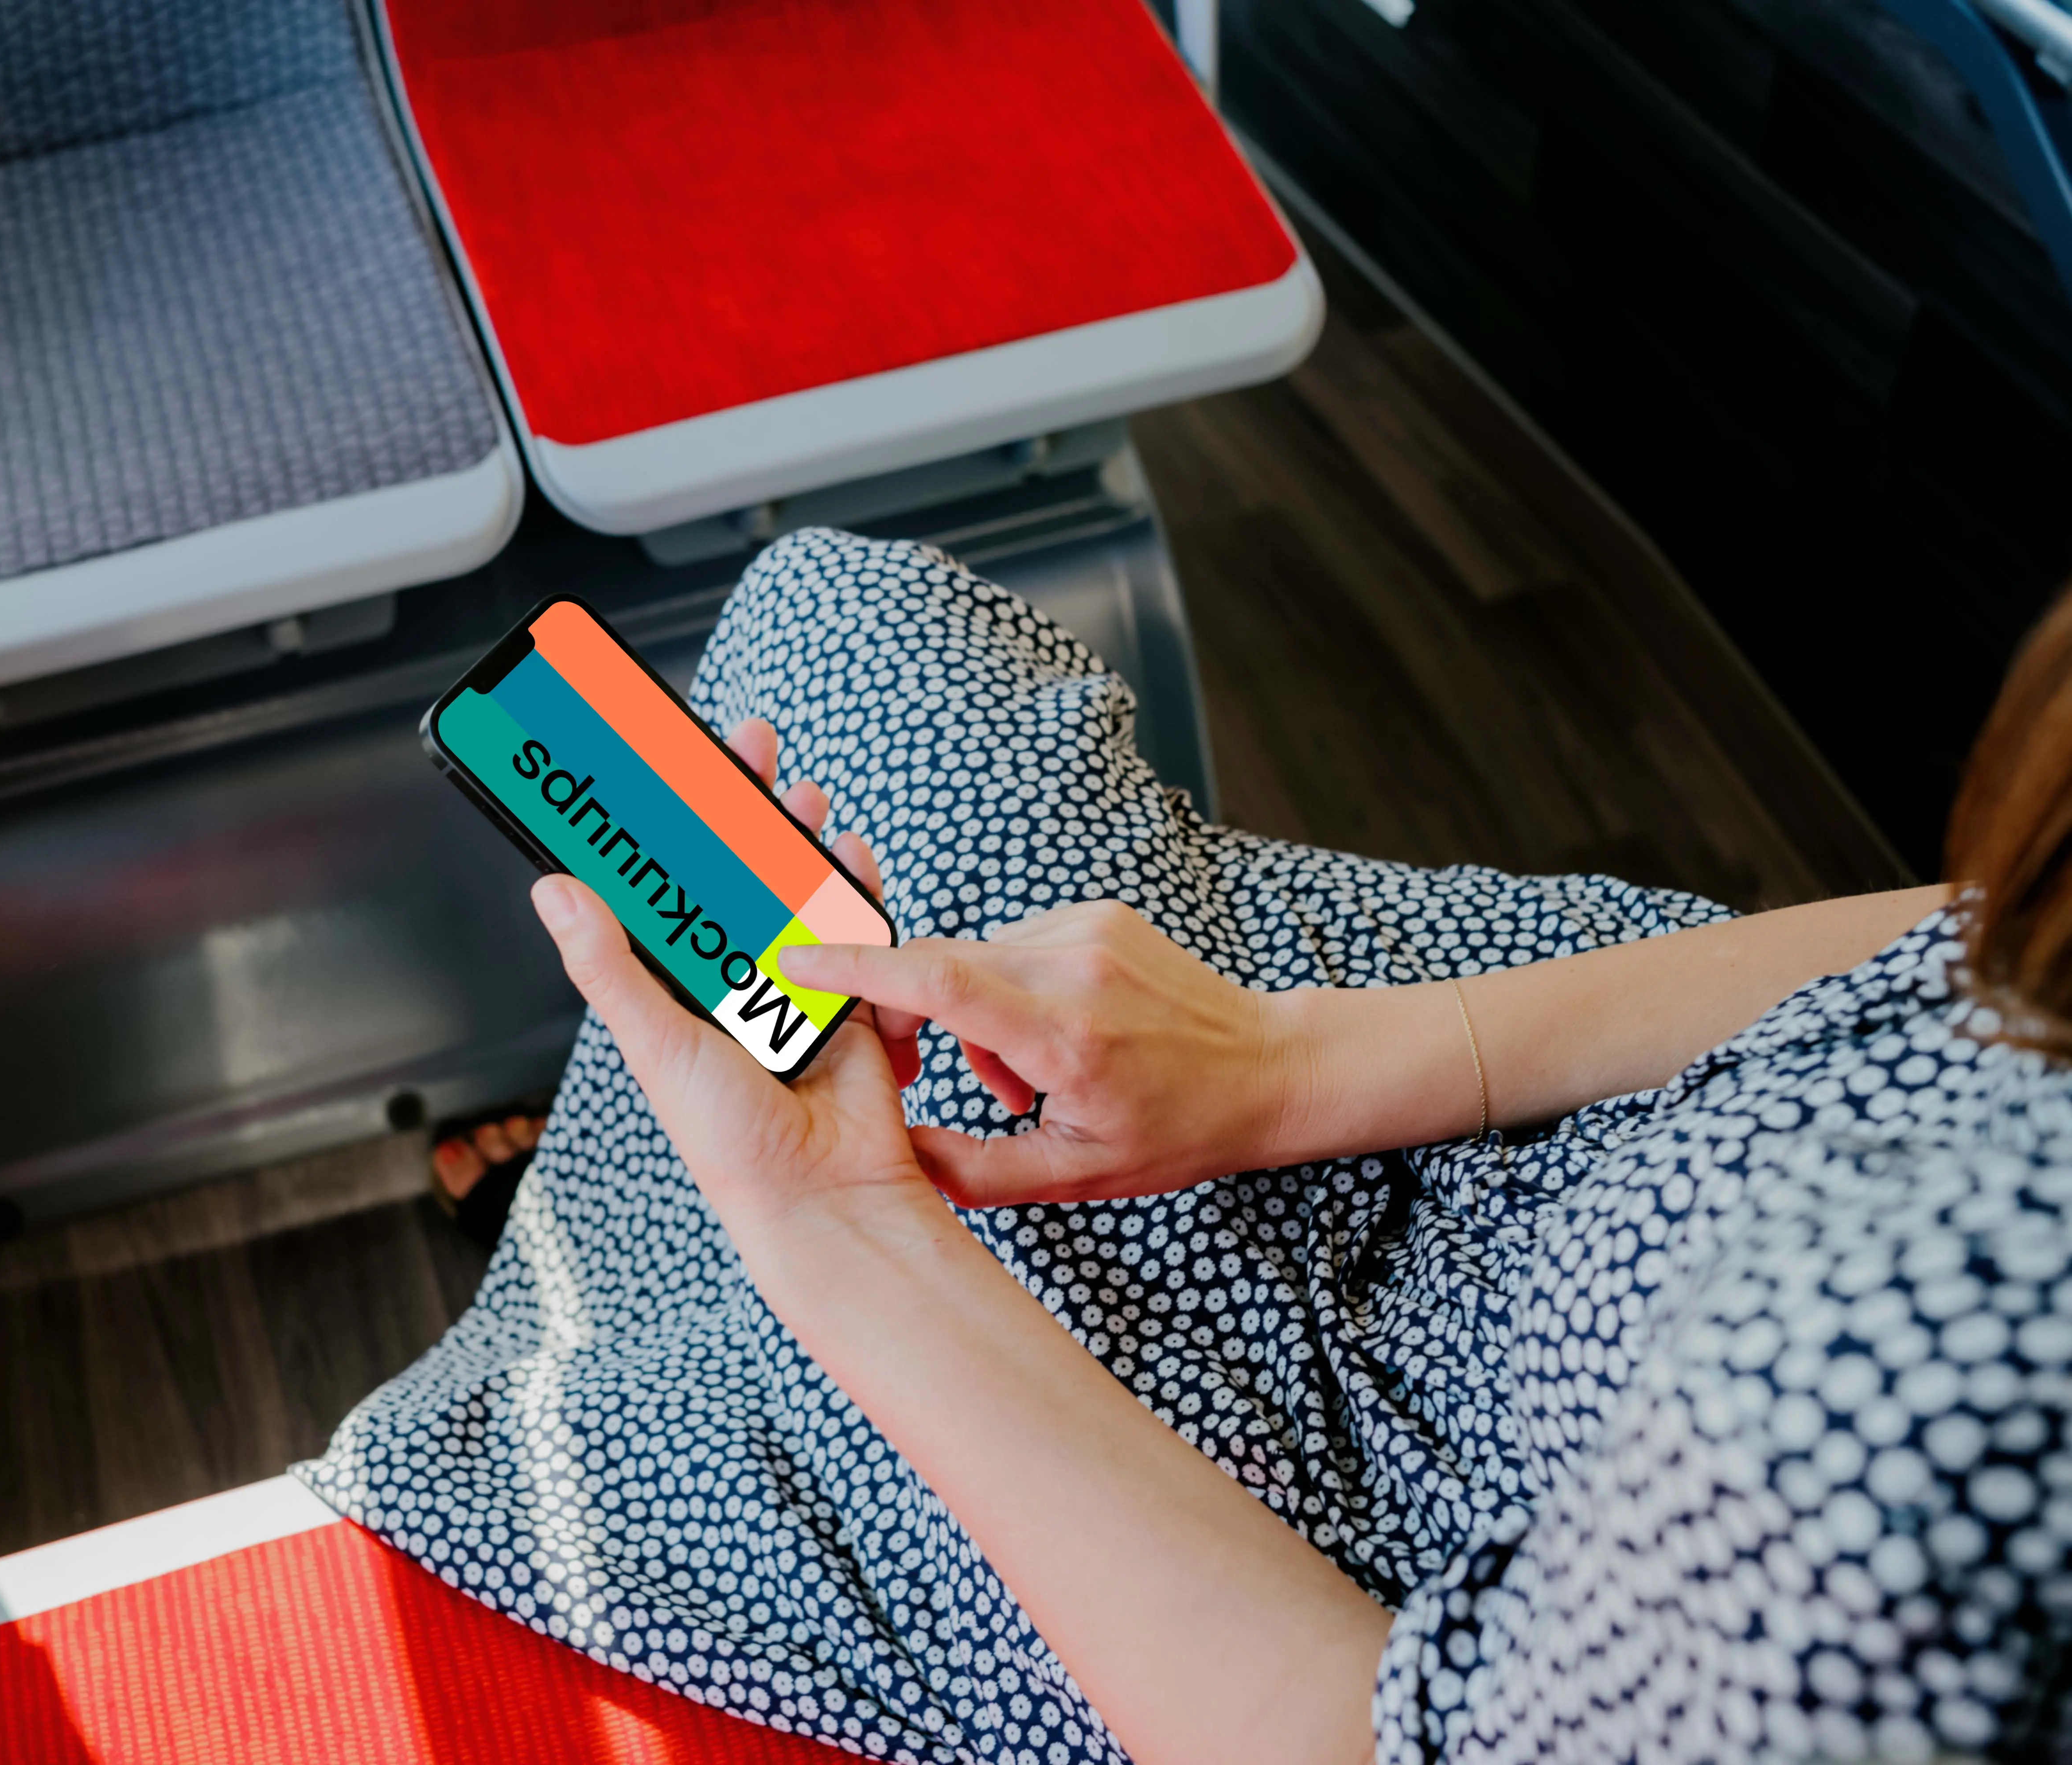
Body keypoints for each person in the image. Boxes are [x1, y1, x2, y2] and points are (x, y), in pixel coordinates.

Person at [309, 528, 2072, 1765]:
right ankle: (656, 1208)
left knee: (630, 1362)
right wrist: (1291, 1067)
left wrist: (840, 1223)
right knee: (844, 617)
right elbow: (1963, 937)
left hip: (1349, 1512)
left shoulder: (1940, 1419)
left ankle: (656, 1231)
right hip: (1556, 1090)